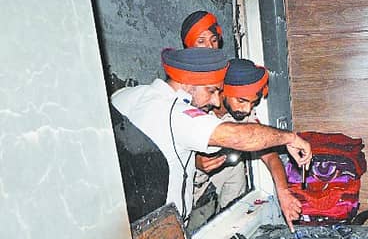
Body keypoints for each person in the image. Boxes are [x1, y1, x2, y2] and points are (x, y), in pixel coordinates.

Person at [110, 47, 311, 224]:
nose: (216, 101)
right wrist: (291, 138)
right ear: (189, 82)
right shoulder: (177, 114)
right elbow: (238, 136)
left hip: (124, 217)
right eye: (212, 90)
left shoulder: (124, 95)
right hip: (158, 228)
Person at [180, 11, 303, 230]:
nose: (247, 110)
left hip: (227, 178)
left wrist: (284, 193)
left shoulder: (238, 98)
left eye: (213, 40)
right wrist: (196, 162)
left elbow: (267, 152)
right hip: (191, 190)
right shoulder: (187, 101)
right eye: (200, 41)